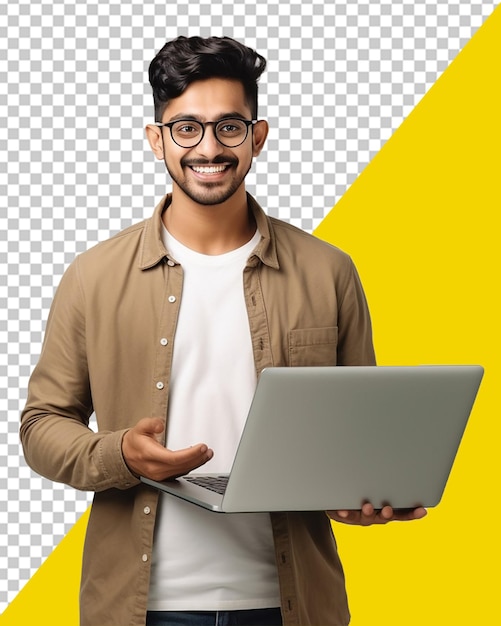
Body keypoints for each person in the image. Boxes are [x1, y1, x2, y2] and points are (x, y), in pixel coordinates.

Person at [20, 36, 426, 626]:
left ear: (257, 136)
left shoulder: (329, 271)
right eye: (186, 128)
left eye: (229, 127)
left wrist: (361, 496)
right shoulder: (92, 276)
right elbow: (42, 427)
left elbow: (356, 437)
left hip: (292, 605)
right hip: (139, 607)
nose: (208, 148)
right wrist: (121, 454)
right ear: (157, 138)